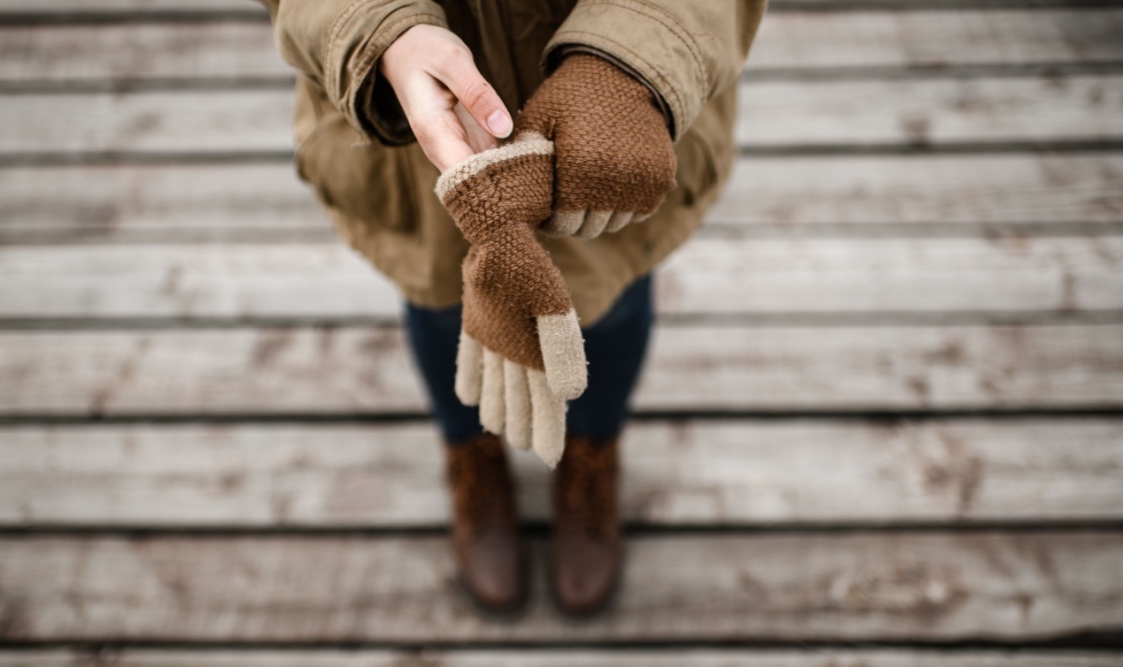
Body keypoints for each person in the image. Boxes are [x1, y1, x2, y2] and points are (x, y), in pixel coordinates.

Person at [260, 0, 767, 617]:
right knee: (441, 301)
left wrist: (635, 50)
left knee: (609, 299)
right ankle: (470, 456)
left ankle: (591, 454)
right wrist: (378, 28)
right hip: (411, 126)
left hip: (620, 117)